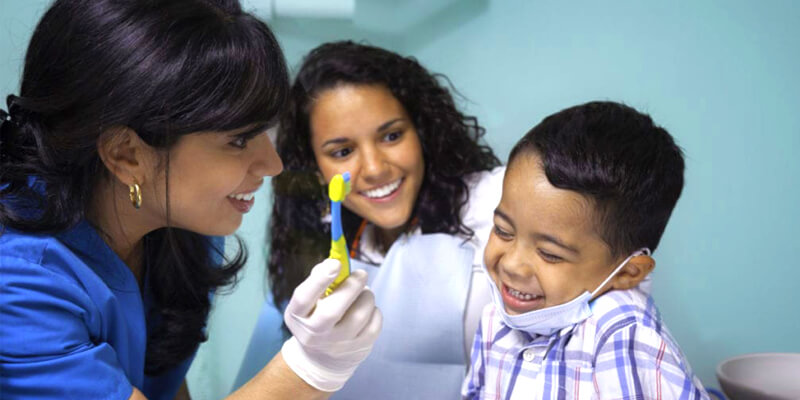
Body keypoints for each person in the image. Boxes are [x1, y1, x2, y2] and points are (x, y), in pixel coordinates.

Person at [0, 1, 381, 399]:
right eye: (238, 140)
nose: (273, 165)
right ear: (126, 155)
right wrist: (310, 368)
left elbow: (158, 386)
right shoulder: (18, 284)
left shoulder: (182, 230)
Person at [236, 41, 504, 398]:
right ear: (316, 170)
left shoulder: (497, 203)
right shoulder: (329, 252)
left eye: (392, 136)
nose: (376, 169)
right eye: (343, 151)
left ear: (421, 131)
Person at [462, 101, 709, 399]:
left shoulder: (621, 334)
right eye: (503, 230)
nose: (512, 265)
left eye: (550, 254)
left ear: (629, 271)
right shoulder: (496, 317)